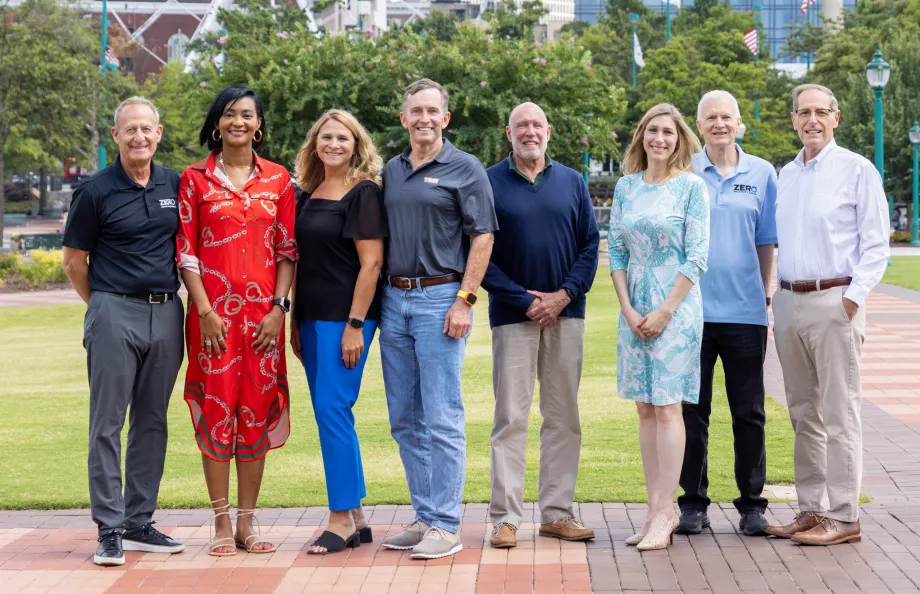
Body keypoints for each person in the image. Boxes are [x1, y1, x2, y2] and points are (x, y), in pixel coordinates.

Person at [62, 96, 186, 566]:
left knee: (152, 421)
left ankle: (138, 522)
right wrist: (103, 308)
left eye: (146, 129)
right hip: (113, 309)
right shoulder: (95, 191)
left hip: (167, 312)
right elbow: (74, 262)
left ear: (158, 134)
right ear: (115, 136)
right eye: (129, 129)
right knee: (107, 424)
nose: (138, 137)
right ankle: (109, 527)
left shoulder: (172, 183)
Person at [379, 78, 497, 560]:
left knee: (443, 416)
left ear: (445, 119)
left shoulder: (465, 169)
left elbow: (484, 237)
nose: (424, 118)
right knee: (405, 419)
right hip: (394, 300)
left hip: (441, 298)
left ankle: (447, 524)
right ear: (404, 119)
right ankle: (426, 516)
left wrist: (464, 300)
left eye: (433, 111)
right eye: (415, 111)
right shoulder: (392, 169)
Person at [176, 86, 297, 556]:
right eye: (229, 115)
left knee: (253, 413)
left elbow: (287, 251)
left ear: (258, 124)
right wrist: (204, 311)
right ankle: (221, 523)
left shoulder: (279, 181)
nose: (238, 122)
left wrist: (278, 309)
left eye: (247, 115)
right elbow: (185, 252)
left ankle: (248, 523)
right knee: (217, 410)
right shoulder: (195, 179)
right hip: (213, 322)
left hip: (265, 322)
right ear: (217, 123)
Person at [766, 84, 889, 546]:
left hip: (835, 301)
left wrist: (852, 300)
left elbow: (877, 246)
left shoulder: (857, 170)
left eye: (821, 112)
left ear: (836, 117)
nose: (812, 120)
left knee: (840, 412)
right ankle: (812, 510)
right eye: (804, 112)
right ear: (793, 119)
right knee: (802, 413)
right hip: (791, 302)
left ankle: (844, 515)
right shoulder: (787, 174)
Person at [482, 102, 599, 549]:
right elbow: (479, 253)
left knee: (563, 417)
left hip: (567, 314)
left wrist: (564, 294)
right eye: (521, 125)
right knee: (510, 418)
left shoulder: (571, 181)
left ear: (549, 131)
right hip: (513, 317)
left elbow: (589, 245)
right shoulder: (489, 182)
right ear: (508, 132)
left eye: (536, 125)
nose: (529, 132)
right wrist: (524, 299)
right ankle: (505, 519)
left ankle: (557, 513)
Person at [608, 103, 709, 551]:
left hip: (677, 307)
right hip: (635, 308)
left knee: (668, 406)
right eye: (653, 131)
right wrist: (629, 309)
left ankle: (668, 510)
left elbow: (698, 256)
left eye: (668, 132)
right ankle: (653, 510)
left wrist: (666, 310)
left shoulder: (691, 188)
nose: (660, 139)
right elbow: (615, 252)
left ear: (679, 139)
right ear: (641, 137)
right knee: (644, 408)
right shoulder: (626, 187)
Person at [677, 90, 777, 537]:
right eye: (710, 117)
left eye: (727, 117)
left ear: (739, 123)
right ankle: (692, 503)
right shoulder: (683, 172)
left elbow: (766, 241)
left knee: (749, 412)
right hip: (691, 313)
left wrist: (766, 298)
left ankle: (752, 504)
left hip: (745, 313)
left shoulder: (763, 173)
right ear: (699, 126)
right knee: (692, 413)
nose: (719, 123)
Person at [290, 109, 388, 554]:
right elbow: (302, 261)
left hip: (345, 321)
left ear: (356, 144)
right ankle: (358, 517)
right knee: (333, 414)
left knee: (332, 411)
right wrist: (294, 320)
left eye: (342, 138)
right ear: (314, 144)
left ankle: (339, 518)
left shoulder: (363, 191)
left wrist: (354, 326)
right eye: (325, 137)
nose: (333, 144)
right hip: (311, 319)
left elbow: (371, 264)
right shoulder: (309, 193)